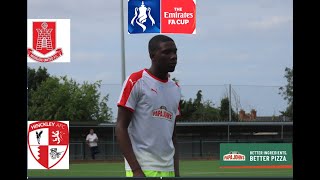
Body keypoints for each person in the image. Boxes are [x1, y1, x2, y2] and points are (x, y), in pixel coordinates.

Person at [116, 35, 181, 178]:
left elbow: (173, 135)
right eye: (167, 52)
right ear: (152, 55)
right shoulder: (136, 81)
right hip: (143, 169)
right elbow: (120, 127)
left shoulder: (175, 88)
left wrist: (176, 173)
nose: (173, 56)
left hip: (168, 169)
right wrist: (136, 170)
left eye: (175, 52)